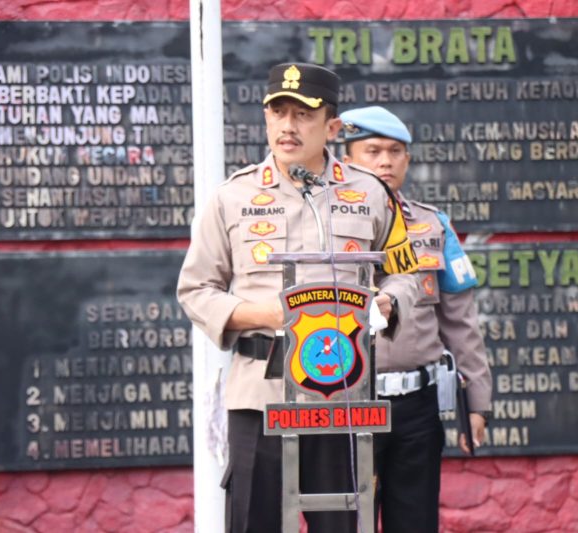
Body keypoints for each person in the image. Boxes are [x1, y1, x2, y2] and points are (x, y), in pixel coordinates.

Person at [177, 65, 418, 533]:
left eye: (303, 115)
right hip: (260, 396)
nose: (287, 126)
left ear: (332, 127)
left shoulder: (370, 193)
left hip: (342, 392)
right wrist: (263, 314)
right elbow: (196, 288)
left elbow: (406, 273)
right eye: (278, 112)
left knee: (342, 525)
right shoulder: (232, 196)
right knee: (254, 522)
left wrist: (388, 302)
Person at [340, 105, 493, 533]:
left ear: (408, 160)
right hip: (346, 402)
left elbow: (460, 322)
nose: (385, 161)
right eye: (372, 151)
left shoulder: (433, 226)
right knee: (345, 523)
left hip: (416, 406)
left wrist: (476, 402)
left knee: (416, 522)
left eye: (395, 151)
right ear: (347, 160)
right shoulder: (325, 226)